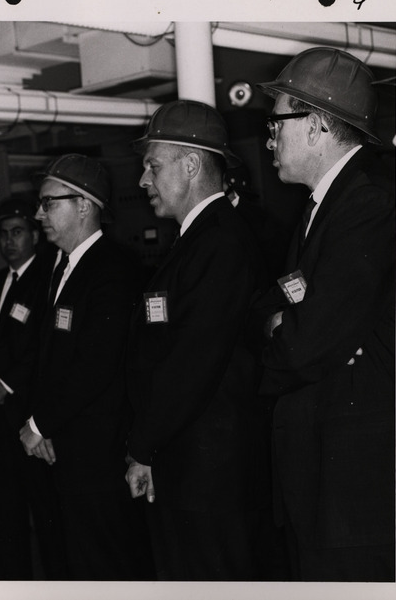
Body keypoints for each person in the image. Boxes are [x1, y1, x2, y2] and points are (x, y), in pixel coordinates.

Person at [254, 47, 395, 582]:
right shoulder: (322, 207)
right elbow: (271, 311)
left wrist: (286, 328)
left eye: (277, 122)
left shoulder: (366, 206)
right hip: (322, 487)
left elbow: (301, 343)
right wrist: (282, 325)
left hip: (353, 499)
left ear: (314, 126)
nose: (270, 137)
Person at [124, 100, 270, 580]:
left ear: (190, 164)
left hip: (209, 477)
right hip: (191, 467)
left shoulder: (219, 244)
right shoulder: (199, 241)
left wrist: (142, 447)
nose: (144, 180)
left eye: (153, 165)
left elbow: (190, 362)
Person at [19, 154, 145, 580]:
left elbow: (95, 365)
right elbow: (50, 359)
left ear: (85, 206)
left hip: (98, 457)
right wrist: (45, 426)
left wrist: (39, 424)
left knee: (106, 567)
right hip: (67, 452)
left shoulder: (112, 269)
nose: (39, 215)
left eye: (49, 203)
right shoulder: (62, 267)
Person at [0, 196, 66, 580]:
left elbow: (44, 347)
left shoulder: (49, 278)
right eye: (4, 234)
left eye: (18, 232)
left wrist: (6, 384)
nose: (9, 241)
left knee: (48, 518)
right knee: (6, 520)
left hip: (31, 420)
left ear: (35, 235)